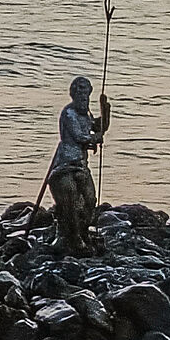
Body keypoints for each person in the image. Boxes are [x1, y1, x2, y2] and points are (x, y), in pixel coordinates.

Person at [46, 75, 112, 253]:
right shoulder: (69, 114)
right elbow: (80, 137)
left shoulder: (86, 114)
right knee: (71, 199)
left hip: (81, 166)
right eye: (80, 94)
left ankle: (83, 233)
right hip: (65, 165)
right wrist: (96, 138)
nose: (84, 98)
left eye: (86, 94)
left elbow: (96, 126)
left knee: (90, 199)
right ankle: (72, 238)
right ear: (73, 95)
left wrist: (105, 114)